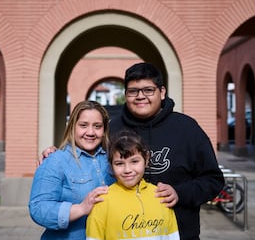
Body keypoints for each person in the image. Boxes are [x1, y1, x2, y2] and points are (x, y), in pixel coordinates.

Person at [40, 62, 224, 240]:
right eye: (133, 91)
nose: (140, 96)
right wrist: (57, 153)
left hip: (179, 233)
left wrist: (180, 193)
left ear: (162, 92)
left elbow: (213, 180)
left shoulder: (187, 128)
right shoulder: (112, 128)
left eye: (148, 90)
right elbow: (87, 151)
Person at [29, 100, 116, 240]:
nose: (91, 132)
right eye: (83, 125)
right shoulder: (55, 161)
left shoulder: (113, 159)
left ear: (104, 129)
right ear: (72, 127)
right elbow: (38, 209)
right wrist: (81, 208)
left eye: (97, 126)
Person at [86, 130, 180, 240]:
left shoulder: (161, 196)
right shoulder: (102, 201)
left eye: (134, 161)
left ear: (146, 159)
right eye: (119, 163)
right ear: (111, 166)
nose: (127, 170)